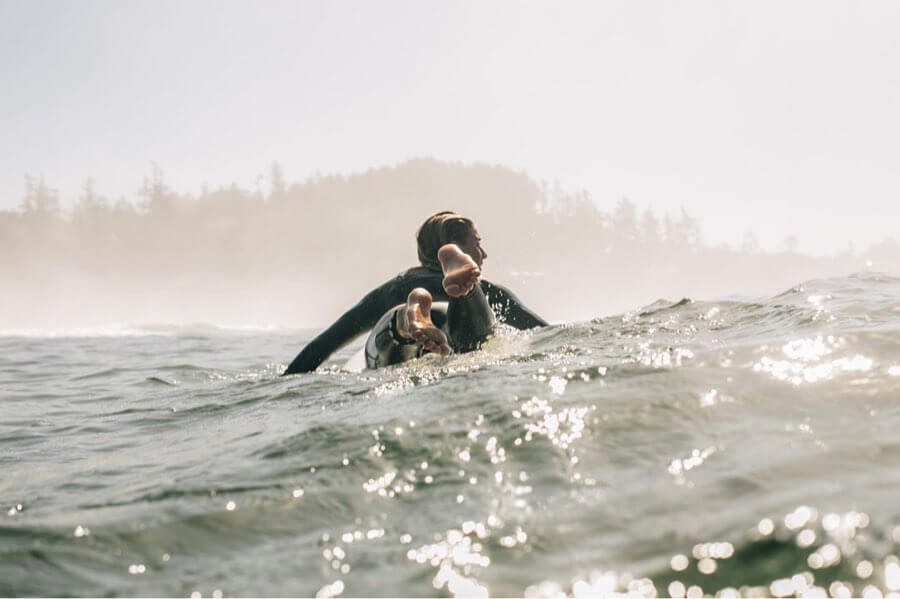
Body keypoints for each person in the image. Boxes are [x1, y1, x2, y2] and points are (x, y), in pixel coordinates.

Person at [283, 211, 547, 374]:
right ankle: (464, 296)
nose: (484, 253)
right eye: (477, 244)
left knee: (397, 326)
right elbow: (546, 333)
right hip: (451, 333)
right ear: (455, 249)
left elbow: (321, 347)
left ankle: (411, 314)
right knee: (472, 328)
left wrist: (284, 384)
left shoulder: (390, 289)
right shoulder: (487, 289)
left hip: (397, 337)